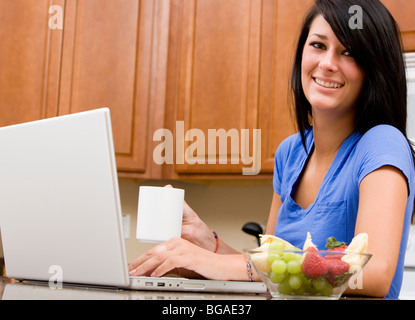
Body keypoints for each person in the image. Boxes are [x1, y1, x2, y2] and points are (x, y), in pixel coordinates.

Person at [129, 0, 415, 299]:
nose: (328, 62)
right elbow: (272, 275)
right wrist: (206, 243)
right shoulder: (290, 154)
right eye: (318, 45)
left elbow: (376, 272)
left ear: (374, 68)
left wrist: (218, 263)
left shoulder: (381, 143)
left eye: (349, 52)